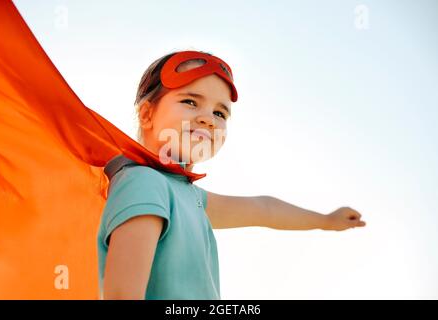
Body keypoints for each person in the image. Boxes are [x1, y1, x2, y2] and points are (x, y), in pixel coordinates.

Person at [98, 50, 366, 300]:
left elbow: (265, 209)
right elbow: (122, 294)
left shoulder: (189, 196)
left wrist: (326, 220)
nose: (208, 119)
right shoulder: (144, 183)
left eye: (219, 112)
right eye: (190, 101)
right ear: (147, 114)